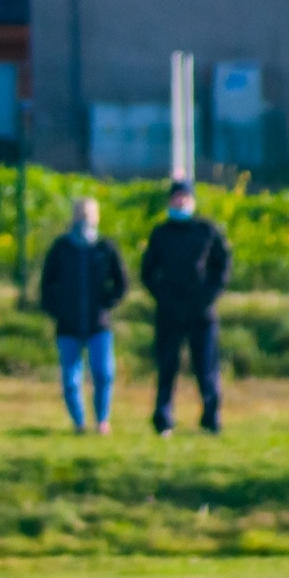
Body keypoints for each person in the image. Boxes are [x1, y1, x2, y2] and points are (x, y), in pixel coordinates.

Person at [141, 179, 232, 435]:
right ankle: (163, 419)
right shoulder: (161, 233)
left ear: (192, 200)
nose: (180, 201)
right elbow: (148, 272)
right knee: (167, 366)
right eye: (176, 197)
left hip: (201, 313)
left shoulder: (206, 231)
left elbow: (222, 267)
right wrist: (164, 297)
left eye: (184, 197)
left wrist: (206, 296)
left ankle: (211, 419)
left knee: (206, 368)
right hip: (169, 312)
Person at [39, 197, 128, 434]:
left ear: (97, 217)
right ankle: (79, 422)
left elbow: (121, 283)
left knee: (103, 373)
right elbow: (47, 285)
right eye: (80, 214)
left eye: (89, 214)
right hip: (68, 326)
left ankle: (102, 420)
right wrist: (58, 310)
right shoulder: (61, 248)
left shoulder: (105, 248)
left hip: (98, 325)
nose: (84, 219)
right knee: (70, 379)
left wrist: (106, 304)